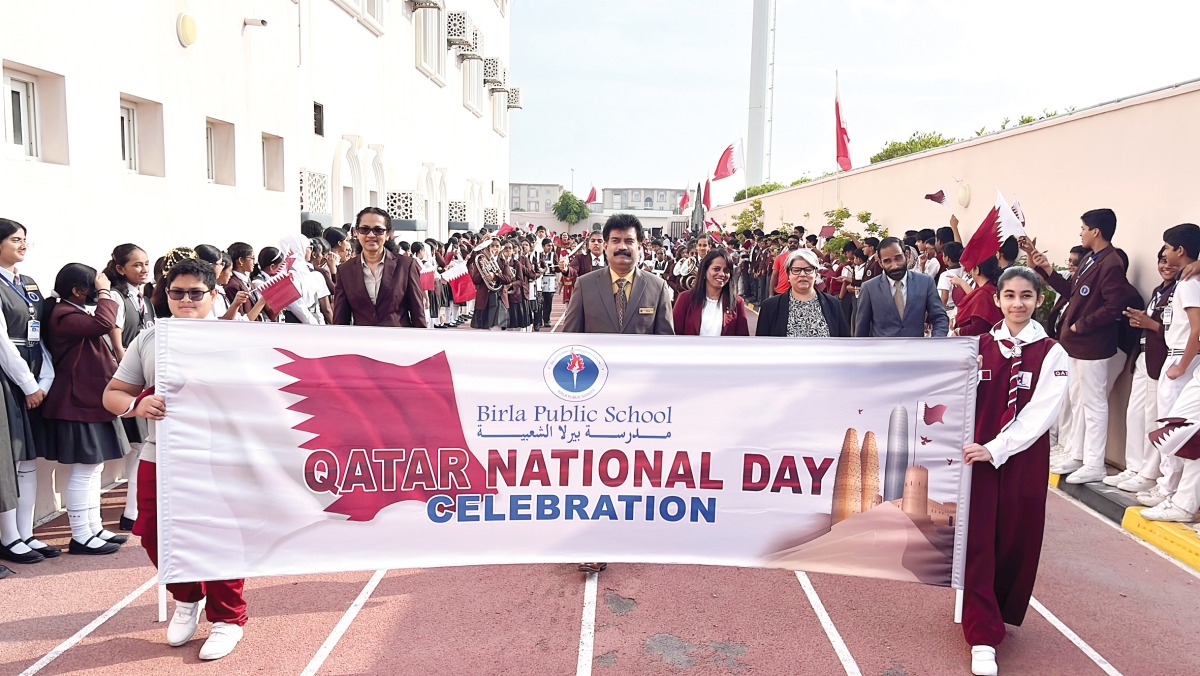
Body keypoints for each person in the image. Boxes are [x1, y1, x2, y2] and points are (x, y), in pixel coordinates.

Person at [103, 257, 248, 660]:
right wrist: (138, 402)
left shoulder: (238, 339)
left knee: (219, 533)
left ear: (213, 295)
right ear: (165, 295)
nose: (186, 300)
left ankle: (228, 618)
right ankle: (187, 597)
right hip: (159, 454)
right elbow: (111, 394)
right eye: (176, 292)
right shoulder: (149, 339)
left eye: (195, 293)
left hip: (220, 454)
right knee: (152, 532)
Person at [960, 266, 1069, 676]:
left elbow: (1042, 413)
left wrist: (998, 448)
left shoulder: (1052, 353)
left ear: (1039, 300)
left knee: (1016, 540)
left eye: (1026, 296)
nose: (1017, 304)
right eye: (1009, 295)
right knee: (978, 543)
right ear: (997, 300)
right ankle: (982, 633)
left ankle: (995, 608)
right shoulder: (977, 346)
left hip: (1022, 459)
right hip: (978, 459)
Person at [563, 214, 672, 574]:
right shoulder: (585, 284)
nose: (622, 248)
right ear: (605, 246)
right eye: (616, 241)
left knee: (632, 474)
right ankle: (593, 541)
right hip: (593, 403)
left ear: (641, 246)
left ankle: (628, 533)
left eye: (629, 241)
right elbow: (569, 341)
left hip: (639, 407)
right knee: (592, 474)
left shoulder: (658, 288)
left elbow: (666, 347)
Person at [1030, 209, 1127, 485]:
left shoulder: (1112, 262)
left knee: (1094, 405)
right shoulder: (1089, 260)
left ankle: (1095, 463)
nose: (1081, 232)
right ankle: (1077, 453)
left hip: (1092, 346)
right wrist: (1045, 268)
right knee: (1078, 402)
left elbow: (1113, 307)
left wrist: (1079, 326)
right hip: (1076, 347)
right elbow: (1071, 290)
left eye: (1083, 228)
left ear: (1096, 231)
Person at [42, 263, 129, 555]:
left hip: (90, 399)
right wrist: (106, 292)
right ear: (78, 291)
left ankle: (94, 527)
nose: (98, 292)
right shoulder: (62, 314)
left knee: (95, 468)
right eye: (93, 286)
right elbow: (104, 324)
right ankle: (80, 535)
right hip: (75, 401)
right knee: (84, 469)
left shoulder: (74, 311)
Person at [0, 218, 55, 567]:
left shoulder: (28, 282)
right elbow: (3, 344)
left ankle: (25, 531)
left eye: (25, 240)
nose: (23, 245)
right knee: (10, 458)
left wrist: (44, 381)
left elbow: (40, 336)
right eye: (16, 239)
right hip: (9, 380)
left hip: (34, 376)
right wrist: (29, 384)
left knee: (27, 459)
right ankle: (8, 537)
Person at [1137, 224, 1200, 519]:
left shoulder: (1189, 283)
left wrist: (1181, 366)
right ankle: (1169, 487)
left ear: (1180, 250)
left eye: (1167, 247)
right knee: (1171, 427)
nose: (1164, 252)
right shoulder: (1187, 280)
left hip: (1181, 361)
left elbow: (1196, 330)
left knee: (1175, 428)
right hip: (1175, 359)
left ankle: (1171, 490)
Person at [1109, 247, 1177, 493]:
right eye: (1161, 261)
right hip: (1143, 358)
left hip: (1161, 361)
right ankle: (1134, 466)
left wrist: (1151, 324)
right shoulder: (1160, 291)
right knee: (1134, 413)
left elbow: (1182, 333)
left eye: (1171, 261)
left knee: (1152, 417)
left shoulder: (1181, 291)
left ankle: (1149, 472)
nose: (1165, 266)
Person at [102, 244, 155, 531]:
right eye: (137, 265)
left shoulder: (143, 298)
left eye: (146, 264)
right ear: (120, 268)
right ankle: (132, 513)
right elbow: (117, 340)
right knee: (139, 447)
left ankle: (133, 511)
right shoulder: (117, 297)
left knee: (140, 448)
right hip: (129, 381)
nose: (144, 269)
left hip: (143, 380)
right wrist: (132, 372)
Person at [333, 207, 427, 328]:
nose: (371, 235)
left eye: (378, 230)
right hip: (362, 342)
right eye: (364, 229)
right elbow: (341, 319)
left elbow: (417, 313)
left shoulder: (406, 266)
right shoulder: (345, 270)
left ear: (388, 234)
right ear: (356, 232)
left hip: (399, 342)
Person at [854, 237, 949, 337]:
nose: (894, 265)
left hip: (916, 350)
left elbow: (939, 318)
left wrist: (936, 342)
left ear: (906, 256)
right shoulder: (869, 288)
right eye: (887, 261)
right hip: (883, 351)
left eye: (898, 258)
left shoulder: (925, 282)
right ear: (880, 263)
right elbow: (862, 329)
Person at [756, 248, 851, 338]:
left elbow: (844, 343)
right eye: (796, 270)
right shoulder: (770, 307)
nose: (802, 274)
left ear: (816, 273)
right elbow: (762, 346)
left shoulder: (833, 304)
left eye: (808, 270)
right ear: (788, 274)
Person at [673, 250, 749, 336]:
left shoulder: (737, 303)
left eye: (726, 270)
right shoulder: (685, 298)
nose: (722, 274)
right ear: (705, 271)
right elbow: (673, 333)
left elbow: (743, 340)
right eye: (716, 269)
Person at [953, 256, 1003, 337]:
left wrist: (959, 331)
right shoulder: (991, 289)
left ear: (977, 270)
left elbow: (979, 328)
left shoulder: (983, 294)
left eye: (972, 268)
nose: (970, 272)